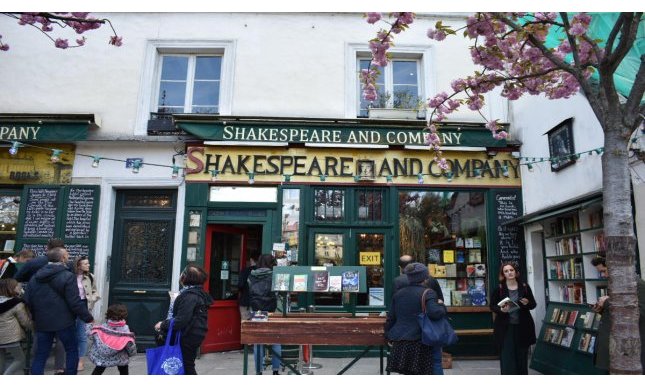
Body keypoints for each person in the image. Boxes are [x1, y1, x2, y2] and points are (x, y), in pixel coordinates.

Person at [23, 247, 94, 375]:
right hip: (64, 321)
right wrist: (88, 317)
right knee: (71, 349)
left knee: (41, 354)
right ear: (62, 258)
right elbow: (74, 301)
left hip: (42, 321)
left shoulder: (35, 277)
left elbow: (27, 299)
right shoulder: (68, 276)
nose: (68, 257)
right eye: (67, 254)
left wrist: (35, 316)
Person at [385, 262, 446, 374]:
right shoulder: (428, 293)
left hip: (402, 339)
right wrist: (441, 304)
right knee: (435, 363)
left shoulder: (398, 294)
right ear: (425, 277)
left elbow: (391, 317)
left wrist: (389, 335)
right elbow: (435, 313)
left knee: (408, 371)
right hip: (423, 338)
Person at [155, 264, 212, 375]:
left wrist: (162, 324)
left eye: (183, 272)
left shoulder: (189, 296)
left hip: (187, 336)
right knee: (184, 365)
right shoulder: (194, 293)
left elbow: (181, 320)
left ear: (185, 277)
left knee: (186, 366)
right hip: (193, 334)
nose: (181, 274)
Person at [591, 257, 645, 373]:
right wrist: (601, 310)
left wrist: (606, 303)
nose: (604, 275)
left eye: (604, 271)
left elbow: (637, 315)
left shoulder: (638, 286)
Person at [490, 261, 537, 375]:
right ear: (503, 274)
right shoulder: (499, 288)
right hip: (505, 327)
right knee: (507, 356)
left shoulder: (524, 287)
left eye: (511, 270)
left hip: (522, 326)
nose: (509, 273)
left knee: (521, 355)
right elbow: (492, 306)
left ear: (516, 272)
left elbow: (533, 304)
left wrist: (527, 303)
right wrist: (501, 310)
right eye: (506, 271)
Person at [248, 253, 282, 375]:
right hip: (272, 310)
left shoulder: (251, 276)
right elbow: (278, 293)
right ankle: (275, 371)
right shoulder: (274, 276)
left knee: (258, 342)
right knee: (276, 340)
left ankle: (259, 371)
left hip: (257, 311)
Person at [88, 304, 136, 375]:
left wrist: (89, 324)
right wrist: (132, 353)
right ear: (124, 315)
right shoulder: (125, 329)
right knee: (123, 369)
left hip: (103, 357)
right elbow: (129, 344)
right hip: (120, 357)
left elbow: (92, 335)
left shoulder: (103, 327)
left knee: (99, 369)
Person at [0, 278, 32, 375]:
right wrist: (33, 326)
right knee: (20, 359)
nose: (20, 287)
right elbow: (25, 322)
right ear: (11, 288)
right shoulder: (17, 304)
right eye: (17, 286)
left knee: (1, 361)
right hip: (10, 337)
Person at [74, 256, 100, 371]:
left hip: (84, 306)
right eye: (85, 264)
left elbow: (95, 291)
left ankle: (81, 361)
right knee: (70, 333)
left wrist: (92, 298)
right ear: (78, 265)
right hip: (71, 307)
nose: (88, 265)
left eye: (88, 263)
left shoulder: (90, 276)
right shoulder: (70, 276)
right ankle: (71, 358)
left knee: (82, 334)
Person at [238, 256, 257, 321]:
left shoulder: (245, 271)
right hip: (258, 303)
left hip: (245, 301)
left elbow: (240, 285)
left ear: (251, 259)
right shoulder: (262, 272)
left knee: (245, 325)